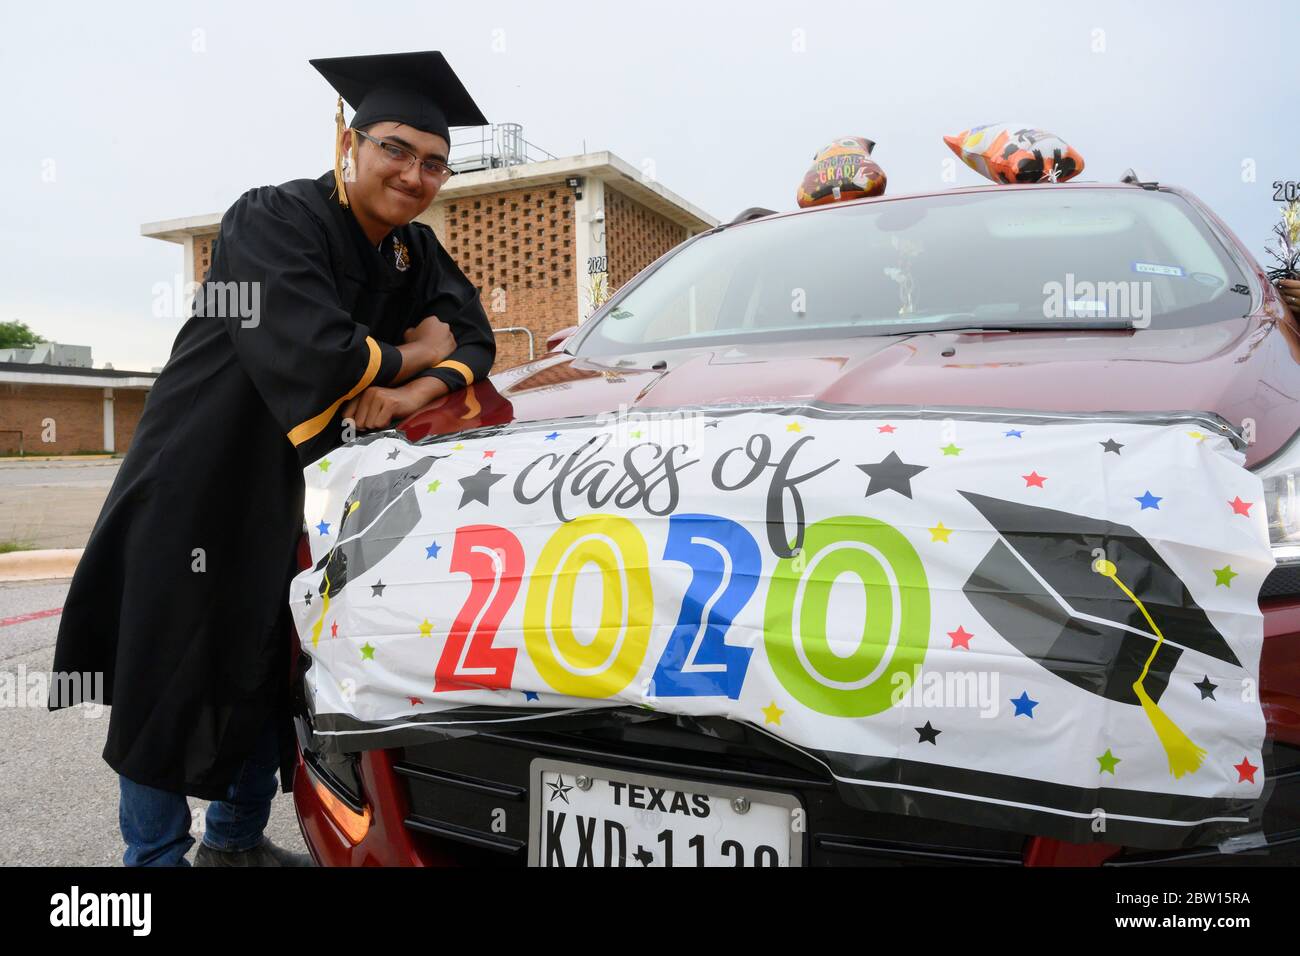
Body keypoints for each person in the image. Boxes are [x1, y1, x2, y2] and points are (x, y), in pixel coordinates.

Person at [48, 51, 495, 866]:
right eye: (395, 148)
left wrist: (397, 395)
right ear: (349, 143)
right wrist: (405, 353)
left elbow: (474, 339)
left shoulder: (411, 254)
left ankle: (235, 844)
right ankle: (152, 863)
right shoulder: (273, 218)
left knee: (267, 667)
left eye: (434, 162)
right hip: (200, 473)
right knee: (167, 677)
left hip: (299, 489)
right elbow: (316, 352)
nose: (414, 174)